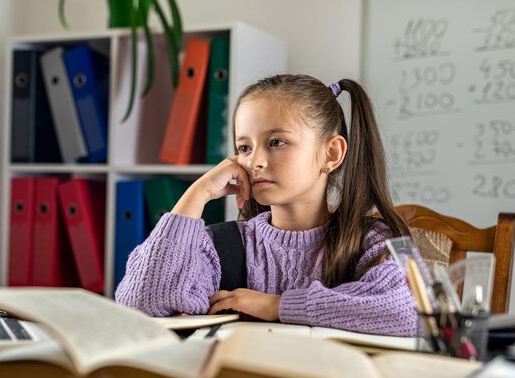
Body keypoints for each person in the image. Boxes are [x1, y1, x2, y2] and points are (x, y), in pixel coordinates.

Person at [116, 74, 418, 336]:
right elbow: (139, 304)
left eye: (276, 142)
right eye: (244, 148)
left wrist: (278, 305)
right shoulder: (218, 245)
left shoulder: (377, 240)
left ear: (331, 154)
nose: (254, 161)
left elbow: (410, 309)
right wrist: (198, 193)